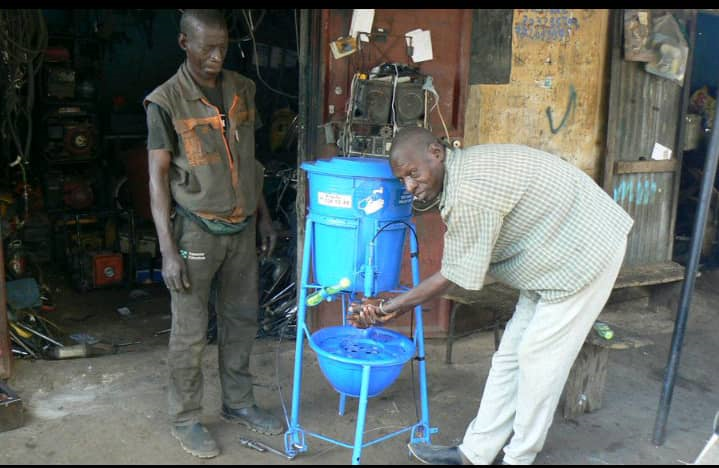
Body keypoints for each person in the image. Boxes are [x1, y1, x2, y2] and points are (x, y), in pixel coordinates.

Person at [348, 127, 634, 465]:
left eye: (413, 174)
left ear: (436, 153)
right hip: (551, 252)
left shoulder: (467, 191)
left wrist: (387, 307)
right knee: (509, 358)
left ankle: (519, 458)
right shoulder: (460, 171)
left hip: (586, 250)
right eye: (403, 180)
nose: (410, 186)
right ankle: (475, 454)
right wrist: (388, 306)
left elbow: (453, 276)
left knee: (538, 360)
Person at [144, 9, 283, 459]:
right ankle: (186, 418)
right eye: (207, 48)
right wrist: (168, 250)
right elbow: (157, 178)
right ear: (185, 43)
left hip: (242, 229)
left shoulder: (242, 89)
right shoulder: (165, 101)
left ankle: (238, 403)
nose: (216, 56)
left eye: (223, 47)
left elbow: (249, 160)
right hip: (196, 232)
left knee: (242, 320)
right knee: (189, 332)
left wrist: (262, 215)